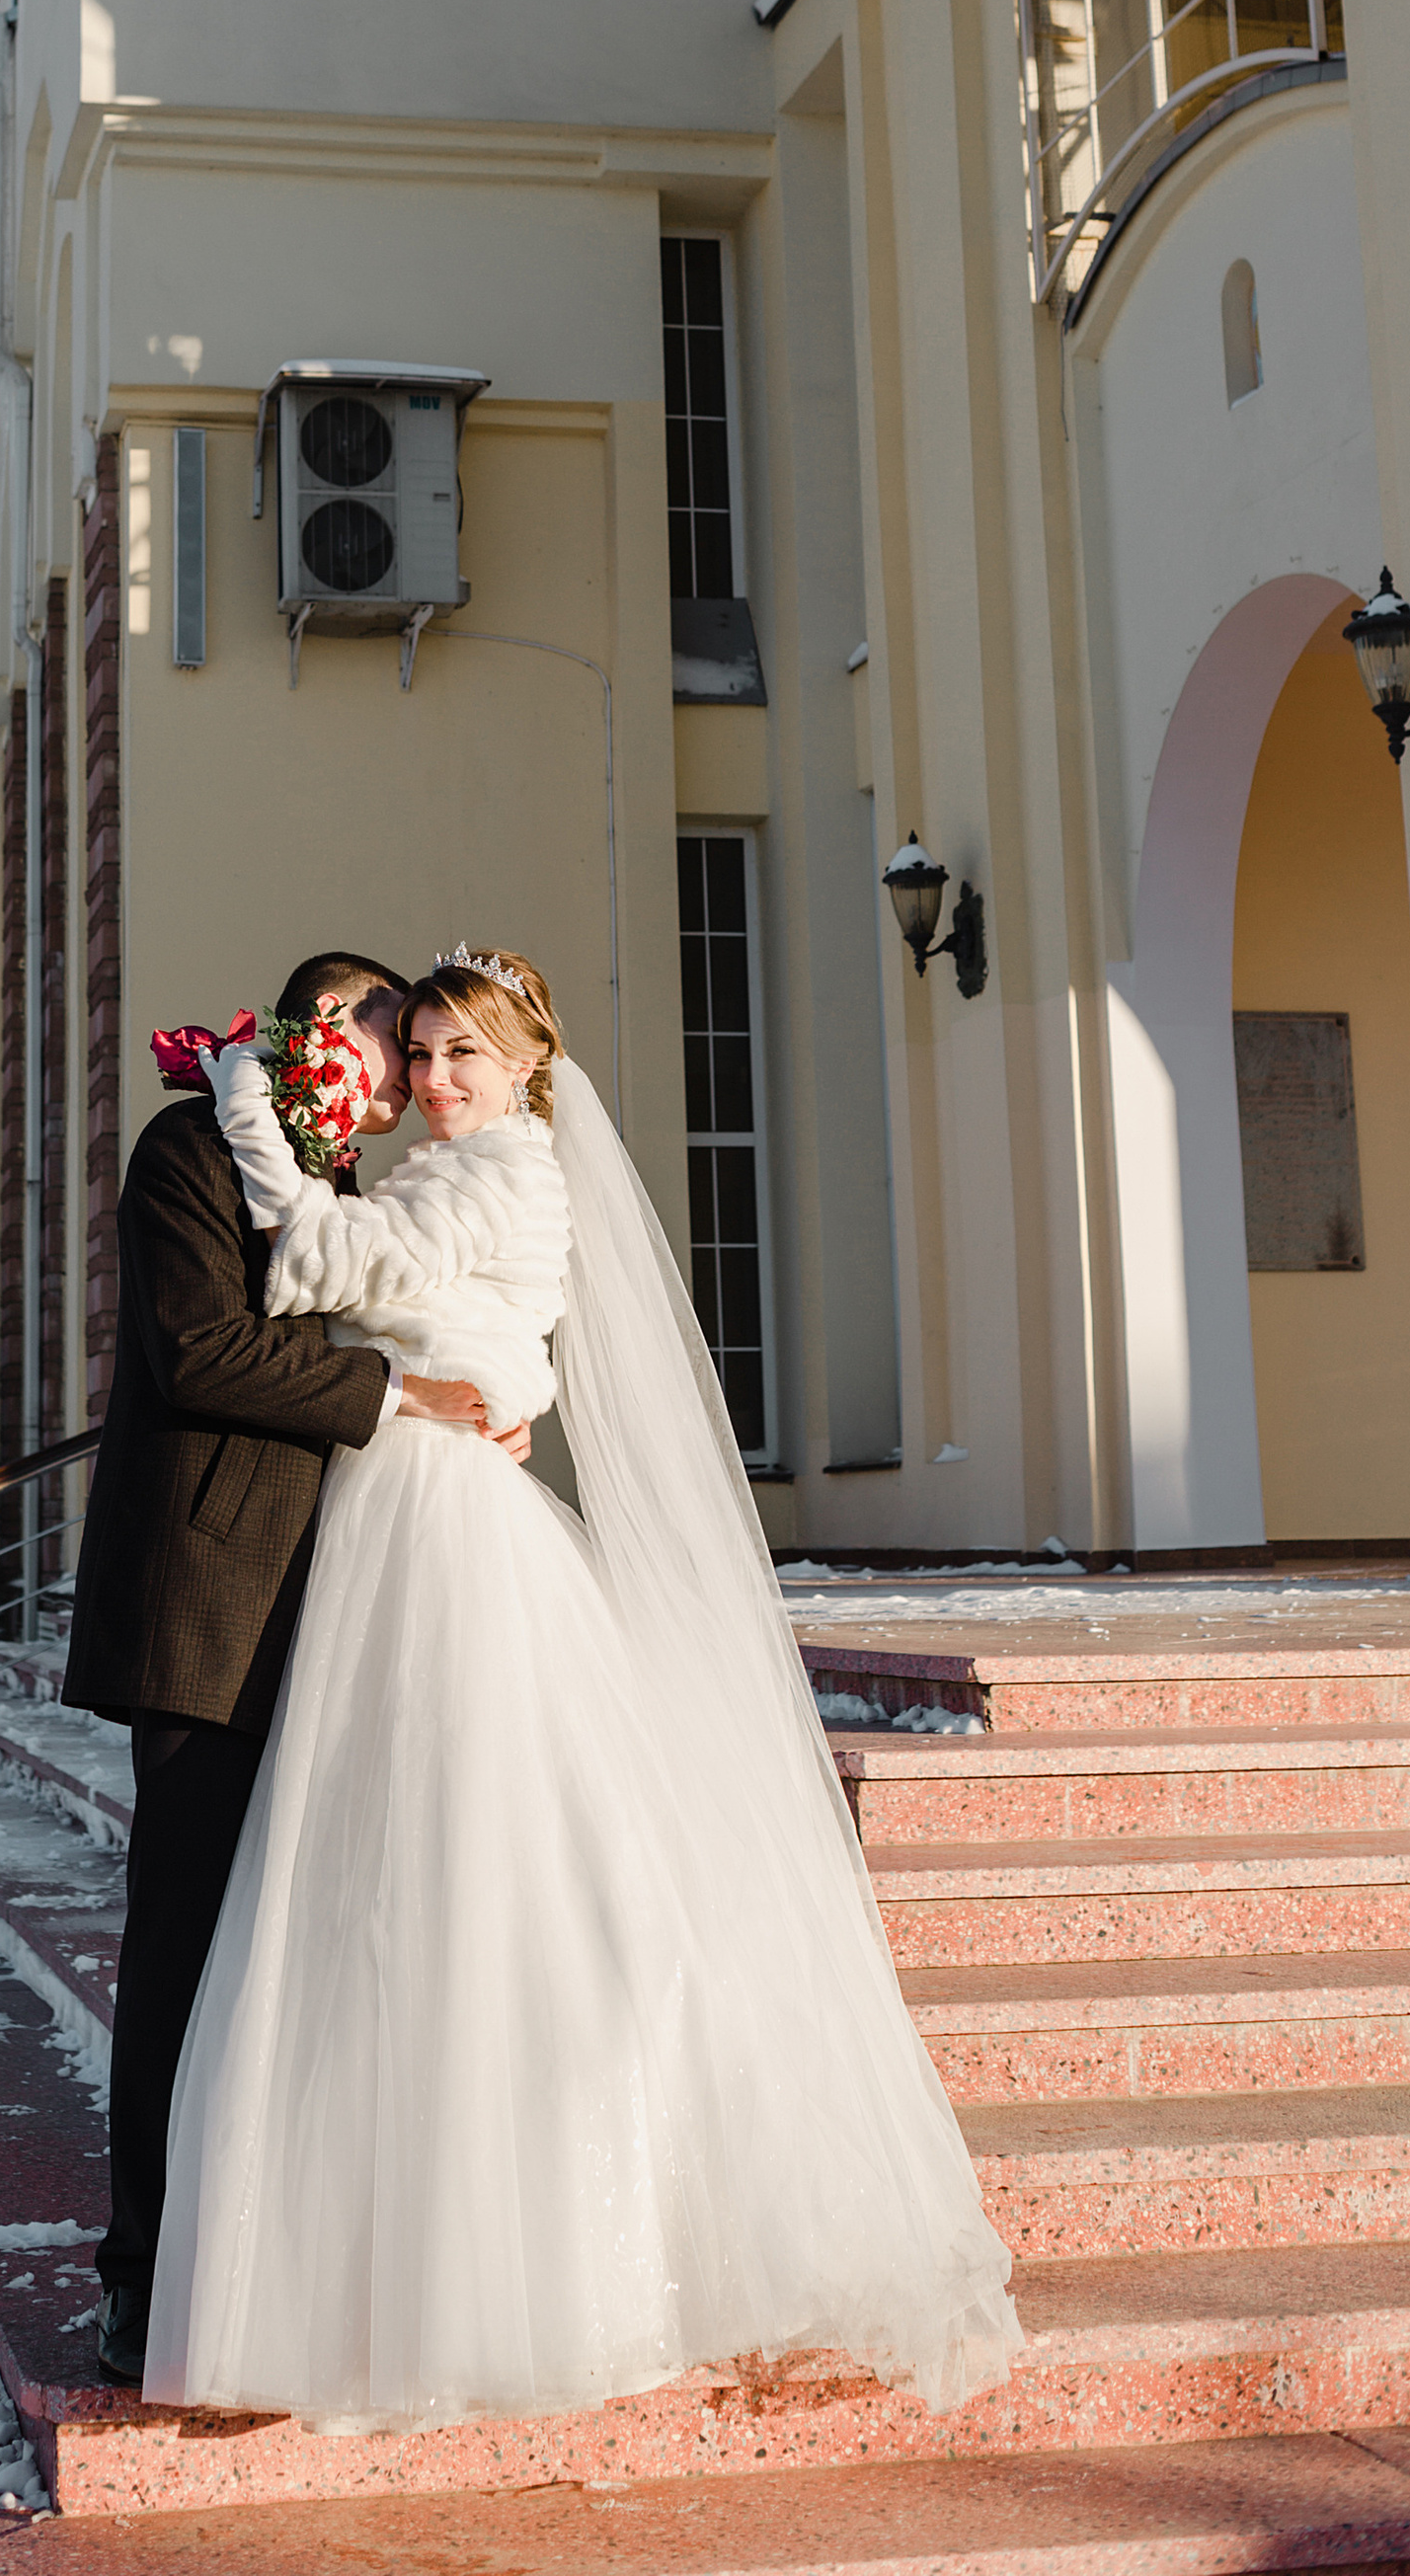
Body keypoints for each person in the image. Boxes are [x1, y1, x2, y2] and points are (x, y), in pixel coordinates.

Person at [144, 949, 1022, 2432]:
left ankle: (515, 2260)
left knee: (473, 1875)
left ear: (523, 1068)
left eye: (458, 1056)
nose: (431, 1080)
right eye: (416, 1053)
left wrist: (243, 1094)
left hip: (437, 1526)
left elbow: (314, 1264)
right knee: (400, 1875)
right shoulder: (489, 1171)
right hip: (403, 1508)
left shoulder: (490, 1174)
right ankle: (392, 2240)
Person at [59, 949, 521, 2388]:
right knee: (187, 1936)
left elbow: (431, 1305)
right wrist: (404, 1398)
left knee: (305, 1946)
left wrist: (483, 1405)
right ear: (330, 1029)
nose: (410, 1071)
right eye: (394, 1034)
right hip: (207, 1595)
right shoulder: (189, 1143)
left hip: (336, 1596)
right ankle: (141, 2272)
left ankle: (274, 2258)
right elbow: (203, 1351)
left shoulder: (362, 1186)